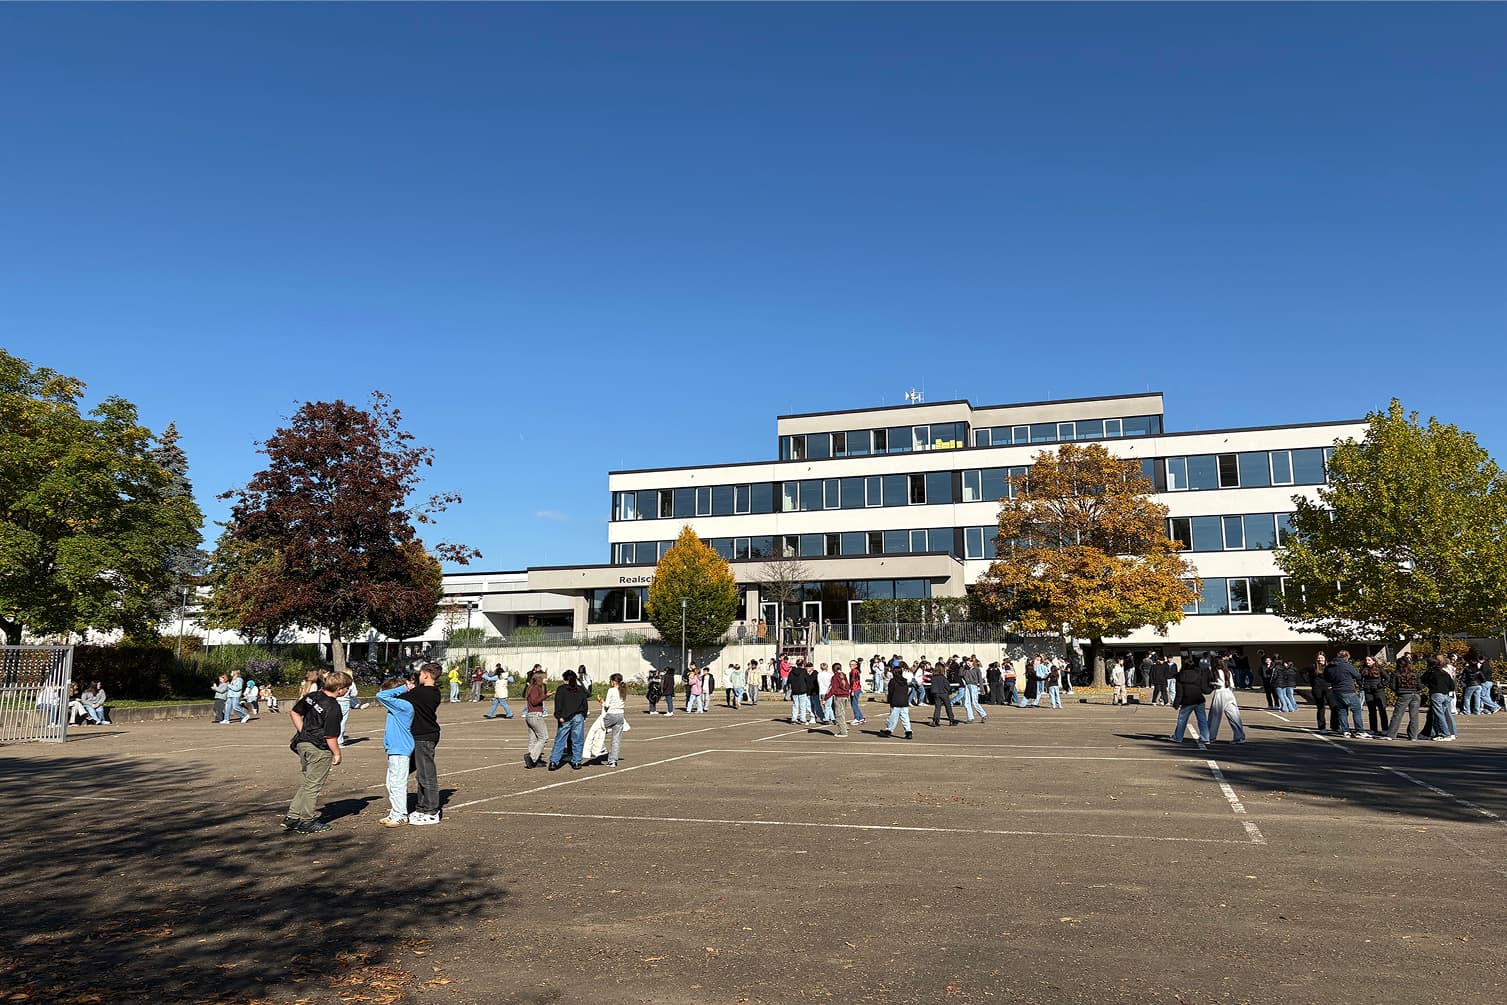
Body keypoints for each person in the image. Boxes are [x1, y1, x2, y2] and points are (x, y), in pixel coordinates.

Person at [281, 669, 351, 834]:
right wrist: (337, 753)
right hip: (319, 748)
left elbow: (295, 712)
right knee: (313, 785)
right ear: (339, 689)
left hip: (303, 744)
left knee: (308, 782)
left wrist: (304, 732)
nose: (347, 690)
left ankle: (292, 816)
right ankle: (307, 820)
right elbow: (330, 735)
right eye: (346, 687)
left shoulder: (312, 696)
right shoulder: (333, 707)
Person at [398, 663, 444, 824]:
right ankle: (421, 807)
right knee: (421, 773)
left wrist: (407, 688)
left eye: (420, 674)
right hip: (424, 734)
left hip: (424, 736)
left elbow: (398, 698)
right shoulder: (434, 692)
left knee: (426, 774)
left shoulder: (420, 693)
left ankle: (431, 811)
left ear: (425, 675)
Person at [375, 675, 416, 827]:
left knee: (398, 783)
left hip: (401, 749)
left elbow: (381, 695)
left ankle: (401, 815)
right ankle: (395, 812)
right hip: (395, 749)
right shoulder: (396, 706)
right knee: (391, 784)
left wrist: (403, 688)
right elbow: (383, 694)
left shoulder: (404, 705)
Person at [548, 669, 590, 770]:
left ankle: (554, 761)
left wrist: (558, 716)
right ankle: (577, 762)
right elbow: (585, 704)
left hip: (565, 717)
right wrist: (584, 715)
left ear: (565, 679)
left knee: (560, 740)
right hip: (578, 716)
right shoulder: (580, 689)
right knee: (578, 740)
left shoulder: (561, 689)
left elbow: (558, 703)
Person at [1324, 649, 1368, 738]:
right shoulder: (1346, 666)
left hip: (1336, 691)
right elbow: (1357, 676)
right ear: (1346, 657)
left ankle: (1345, 731)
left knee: (1342, 711)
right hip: (1348, 690)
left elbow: (1327, 678)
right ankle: (1359, 731)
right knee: (1356, 710)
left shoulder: (1329, 666)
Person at [1169, 658, 1212, 747]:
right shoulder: (1198, 674)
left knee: (1182, 720)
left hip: (1187, 700)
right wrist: (1211, 688)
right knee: (1202, 719)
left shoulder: (1180, 676)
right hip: (1199, 699)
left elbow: (1179, 692)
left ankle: (1178, 737)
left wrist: (1176, 703)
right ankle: (1205, 738)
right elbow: (1204, 688)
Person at [1206, 657, 1246, 744]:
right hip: (1229, 694)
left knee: (1215, 716)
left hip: (1220, 693)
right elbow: (1232, 685)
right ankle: (1240, 737)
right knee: (1234, 716)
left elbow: (1219, 684)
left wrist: (1212, 683)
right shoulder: (1228, 672)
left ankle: (1210, 736)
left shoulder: (1216, 672)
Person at [1382, 658, 1423, 741]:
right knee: (1414, 716)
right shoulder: (1414, 674)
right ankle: (1413, 736)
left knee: (1397, 715)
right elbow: (1420, 686)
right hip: (1416, 694)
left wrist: (1398, 690)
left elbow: (1392, 686)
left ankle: (1391, 734)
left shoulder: (1396, 673)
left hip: (1404, 695)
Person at [1423, 656, 1458, 742]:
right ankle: (1443, 733)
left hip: (1436, 694)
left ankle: (1445, 734)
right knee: (1445, 714)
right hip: (1446, 695)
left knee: (1439, 715)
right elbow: (1452, 685)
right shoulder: (1445, 673)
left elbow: (1422, 680)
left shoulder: (1431, 673)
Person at [523, 668, 550, 768]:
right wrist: (546, 696)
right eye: (545, 678)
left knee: (533, 739)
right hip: (535, 715)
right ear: (540, 678)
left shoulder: (533, 688)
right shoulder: (535, 688)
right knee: (544, 737)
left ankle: (533, 760)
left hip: (531, 715)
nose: (547, 679)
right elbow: (534, 701)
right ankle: (532, 757)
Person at [599, 672, 628, 766]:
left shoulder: (611, 690)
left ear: (613, 681)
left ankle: (601, 747)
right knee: (616, 739)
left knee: (598, 729)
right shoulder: (623, 690)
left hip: (611, 714)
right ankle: (613, 760)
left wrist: (602, 702)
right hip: (620, 715)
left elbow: (607, 705)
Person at [881, 661, 913, 740]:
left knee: (892, 717)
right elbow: (907, 690)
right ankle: (908, 732)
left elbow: (890, 692)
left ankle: (889, 730)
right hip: (904, 702)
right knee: (905, 718)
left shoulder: (893, 681)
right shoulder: (905, 681)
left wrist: (890, 700)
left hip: (895, 702)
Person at [1359, 656, 1390, 735]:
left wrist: (1381, 685)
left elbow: (1387, 678)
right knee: (1371, 711)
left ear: (1373, 661)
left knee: (1382, 710)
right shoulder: (1363, 669)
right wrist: (1362, 685)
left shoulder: (1379, 669)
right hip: (1368, 692)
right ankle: (1373, 729)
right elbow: (1359, 678)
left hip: (1378, 691)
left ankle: (1385, 729)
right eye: (1366, 660)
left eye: (1369, 660)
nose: (1367, 661)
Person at [1308, 653, 1335, 732]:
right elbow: (1302, 672)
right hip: (1317, 689)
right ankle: (1322, 727)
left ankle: (1335, 726)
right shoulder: (1313, 666)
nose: (1320, 659)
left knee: (1334, 706)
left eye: (1321, 658)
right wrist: (1310, 682)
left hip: (1328, 688)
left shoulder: (1329, 666)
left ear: (1325, 658)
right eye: (1318, 658)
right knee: (1321, 708)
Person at [824, 660, 851, 737]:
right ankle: (845, 727)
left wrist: (826, 698)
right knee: (842, 713)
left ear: (833, 669)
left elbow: (833, 688)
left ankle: (843, 732)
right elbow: (847, 686)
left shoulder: (835, 677)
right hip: (845, 697)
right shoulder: (843, 675)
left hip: (839, 697)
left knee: (839, 715)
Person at [960, 658, 988, 723]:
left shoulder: (977, 669)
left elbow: (980, 679)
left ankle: (983, 715)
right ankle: (970, 718)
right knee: (967, 702)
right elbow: (960, 674)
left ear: (972, 662)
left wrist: (982, 688)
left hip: (974, 686)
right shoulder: (966, 670)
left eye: (969, 663)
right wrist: (963, 666)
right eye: (967, 663)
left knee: (975, 702)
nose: (968, 664)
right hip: (967, 686)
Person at [848, 660, 866, 725]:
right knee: (854, 704)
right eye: (850, 664)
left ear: (856, 665)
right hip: (855, 689)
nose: (851, 665)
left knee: (854, 704)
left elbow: (855, 682)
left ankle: (857, 718)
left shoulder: (855, 671)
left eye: (853, 664)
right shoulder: (853, 671)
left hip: (855, 689)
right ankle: (860, 718)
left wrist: (853, 690)